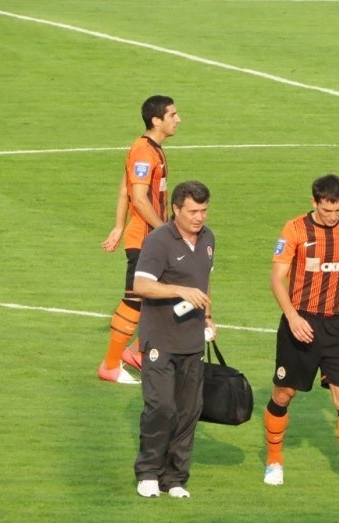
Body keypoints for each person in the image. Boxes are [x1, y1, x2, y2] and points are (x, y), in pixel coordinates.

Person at [263, 174, 339, 494]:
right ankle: (274, 459)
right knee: (284, 394)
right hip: (301, 324)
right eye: (327, 210)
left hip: (337, 326)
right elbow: (276, 278)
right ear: (314, 202)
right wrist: (292, 317)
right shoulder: (295, 230)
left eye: (338, 210)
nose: (333, 216)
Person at [132, 180, 216, 499]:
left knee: (188, 411)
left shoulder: (208, 239)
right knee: (161, 407)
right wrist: (179, 290)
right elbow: (141, 285)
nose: (199, 217)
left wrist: (208, 317)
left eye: (203, 210)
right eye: (193, 211)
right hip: (160, 340)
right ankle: (148, 473)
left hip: (192, 341)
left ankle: (175, 478)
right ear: (176, 209)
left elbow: (205, 282)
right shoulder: (158, 241)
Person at [99, 95, 181, 384]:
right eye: (172, 115)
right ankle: (110, 365)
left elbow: (125, 190)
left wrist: (118, 226)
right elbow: (139, 198)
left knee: (167, 298)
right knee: (135, 301)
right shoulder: (145, 151)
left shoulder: (149, 149)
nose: (178, 119)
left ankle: (135, 353)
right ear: (156, 120)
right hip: (147, 240)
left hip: (149, 238)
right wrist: (167, 231)